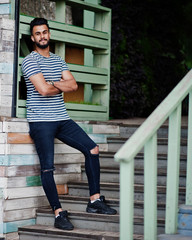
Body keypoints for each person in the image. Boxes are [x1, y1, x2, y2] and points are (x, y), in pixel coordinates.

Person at [21, 17, 117, 231]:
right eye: (37, 33)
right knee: (47, 168)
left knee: (92, 148)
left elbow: (73, 85)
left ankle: (94, 201)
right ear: (32, 37)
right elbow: (42, 91)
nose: (42, 36)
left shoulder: (58, 60)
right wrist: (58, 85)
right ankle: (58, 213)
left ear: (49, 34)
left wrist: (53, 82)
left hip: (62, 118)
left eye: (44, 32)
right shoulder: (29, 61)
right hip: (41, 121)